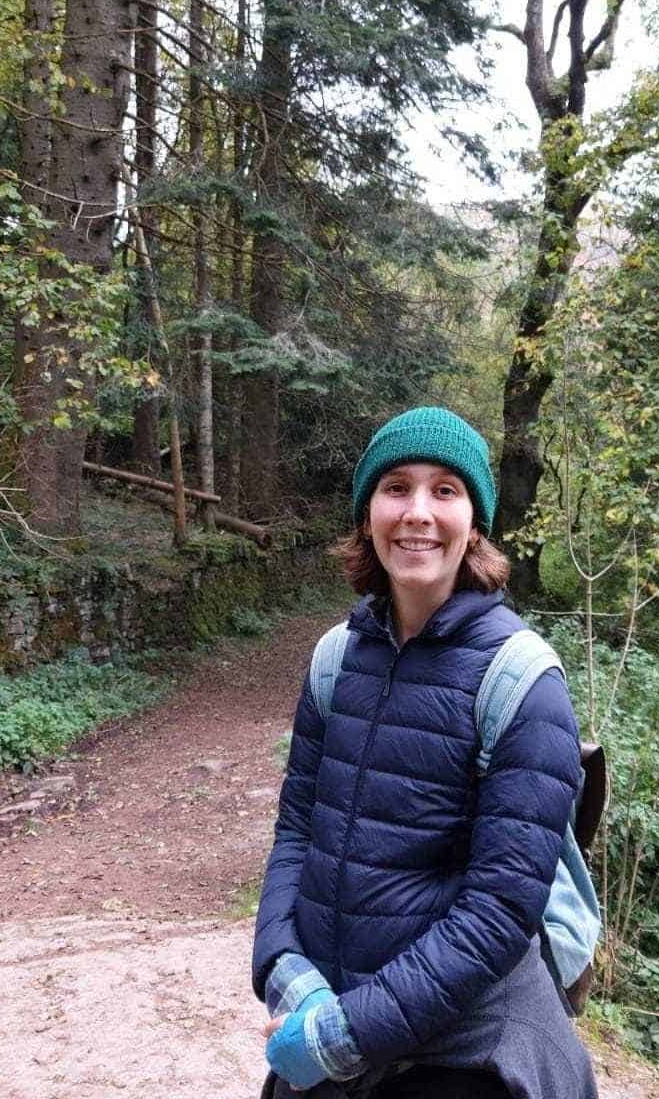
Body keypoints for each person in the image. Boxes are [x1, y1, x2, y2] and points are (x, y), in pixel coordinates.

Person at [252, 407, 599, 1098]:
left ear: (474, 521)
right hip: (329, 1025)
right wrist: (280, 967)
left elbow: (500, 909)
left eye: (444, 490)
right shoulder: (334, 660)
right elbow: (296, 833)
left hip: (458, 1055)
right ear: (367, 513)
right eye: (395, 488)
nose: (417, 513)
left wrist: (347, 1033)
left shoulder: (522, 683)